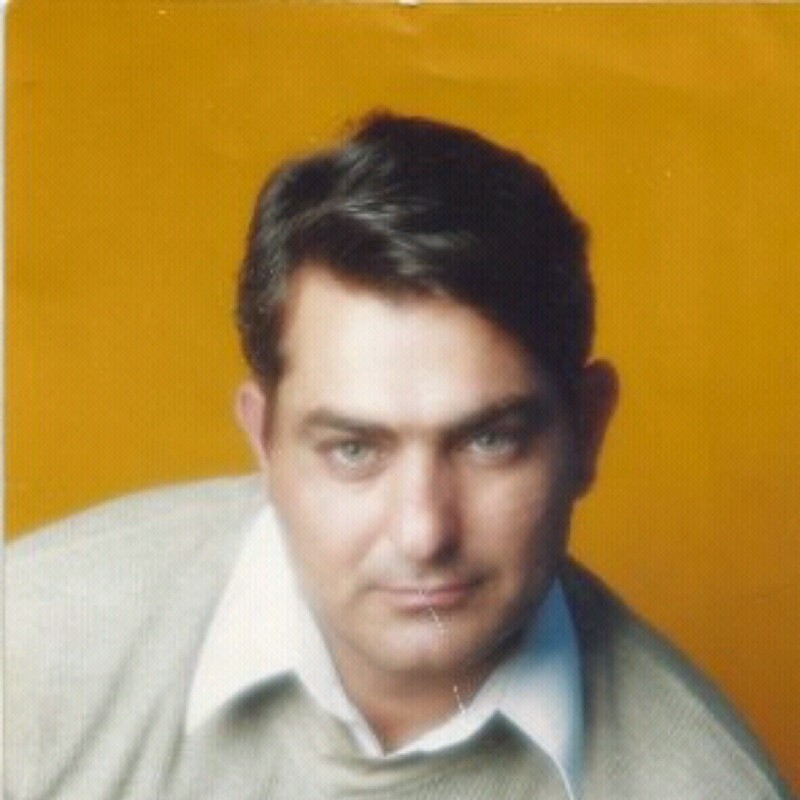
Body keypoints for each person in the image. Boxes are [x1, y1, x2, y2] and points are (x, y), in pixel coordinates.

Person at [6, 113, 790, 800]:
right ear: (263, 441)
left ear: (587, 431)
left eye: (489, 440)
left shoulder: (702, 784)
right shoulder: (28, 647)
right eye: (353, 449)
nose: (423, 532)